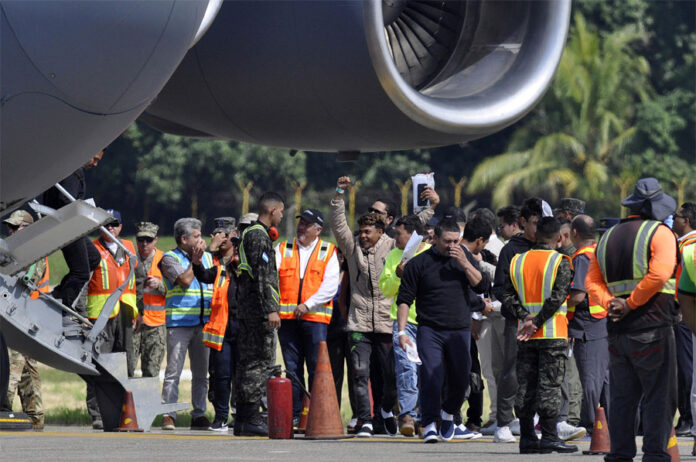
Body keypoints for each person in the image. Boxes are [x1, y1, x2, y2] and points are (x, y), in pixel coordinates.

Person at [330, 176, 439, 437]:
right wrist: (338, 195)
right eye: (361, 232)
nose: (363, 236)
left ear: (381, 232)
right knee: (359, 373)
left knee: (391, 378)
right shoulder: (352, 247)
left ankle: (386, 411)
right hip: (358, 322)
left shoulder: (392, 246)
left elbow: (413, 229)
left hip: (385, 323)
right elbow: (338, 224)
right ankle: (365, 420)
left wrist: (432, 208)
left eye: (368, 232)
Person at [586, 177, 679, 461]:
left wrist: (611, 304)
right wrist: (630, 303)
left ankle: (620, 455)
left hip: (617, 332)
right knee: (659, 396)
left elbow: (592, 282)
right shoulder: (660, 233)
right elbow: (660, 274)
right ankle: (654, 455)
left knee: (622, 399)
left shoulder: (607, 237)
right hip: (653, 329)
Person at [396, 219, 491, 443]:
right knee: (431, 375)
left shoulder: (463, 257)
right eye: (447, 241)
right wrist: (401, 332)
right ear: (435, 239)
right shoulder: (419, 263)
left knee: (461, 378)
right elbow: (404, 300)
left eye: (456, 241)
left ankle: (449, 413)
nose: (452, 246)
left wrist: (464, 263)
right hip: (430, 329)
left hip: (459, 330)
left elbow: (481, 285)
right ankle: (429, 423)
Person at [504, 217, 577, 454]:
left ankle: (527, 438)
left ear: (535, 235)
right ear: (559, 238)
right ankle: (549, 437)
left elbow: (506, 296)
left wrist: (525, 317)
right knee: (550, 387)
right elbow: (558, 298)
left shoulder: (517, 261)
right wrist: (536, 322)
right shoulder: (560, 261)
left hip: (525, 336)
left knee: (526, 386)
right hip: (552, 334)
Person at [275, 208, 339, 426]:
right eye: (300, 223)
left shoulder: (328, 250)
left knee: (315, 368)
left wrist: (307, 305)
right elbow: (272, 278)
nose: (301, 227)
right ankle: (295, 414)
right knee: (292, 368)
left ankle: (315, 414)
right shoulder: (283, 248)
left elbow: (330, 286)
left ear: (318, 230)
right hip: (287, 319)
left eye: (307, 224)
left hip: (315, 319)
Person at [492, 197, 543, 443]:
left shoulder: (547, 247)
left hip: (544, 321)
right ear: (523, 222)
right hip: (518, 321)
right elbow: (500, 289)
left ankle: (535, 420)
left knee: (543, 372)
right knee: (511, 371)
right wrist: (523, 314)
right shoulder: (511, 249)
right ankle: (503, 422)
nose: (539, 228)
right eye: (535, 223)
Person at [234, 192, 285, 436]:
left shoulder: (253, 233)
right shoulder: (259, 235)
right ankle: (251, 417)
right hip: (258, 312)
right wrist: (271, 310)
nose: (282, 216)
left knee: (249, 362)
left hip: (250, 309)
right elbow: (263, 275)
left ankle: (244, 419)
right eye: (281, 211)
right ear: (273, 210)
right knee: (259, 363)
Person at [378, 215, 431, 437]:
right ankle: (408, 415)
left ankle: (426, 418)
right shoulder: (394, 255)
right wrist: (398, 276)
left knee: (427, 371)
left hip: (429, 322)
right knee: (406, 369)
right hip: (404, 323)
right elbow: (386, 289)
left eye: (399, 234)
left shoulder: (432, 253)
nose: (395, 238)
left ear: (413, 235)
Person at [85, 209, 137, 429]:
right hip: (100, 315)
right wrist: (82, 316)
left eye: (114, 224)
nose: (110, 228)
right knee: (98, 364)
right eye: (106, 224)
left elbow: (137, 280)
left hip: (125, 312)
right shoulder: (92, 248)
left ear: (121, 227)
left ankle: (126, 411)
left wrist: (139, 312)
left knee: (127, 363)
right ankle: (98, 413)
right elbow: (84, 282)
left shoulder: (129, 247)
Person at [159, 218, 213, 431]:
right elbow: (185, 280)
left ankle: (199, 414)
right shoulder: (169, 258)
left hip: (203, 323)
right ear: (184, 239)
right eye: (196, 236)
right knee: (173, 372)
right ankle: (168, 414)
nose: (201, 240)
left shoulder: (207, 257)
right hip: (179, 323)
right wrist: (195, 261)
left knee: (201, 374)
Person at [0, 210, 47, 429]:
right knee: (28, 372)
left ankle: (6, 411)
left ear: (27, 229)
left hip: (22, 321)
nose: (10, 231)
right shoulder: (14, 253)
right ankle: (36, 419)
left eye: (14, 227)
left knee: (11, 371)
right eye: (9, 227)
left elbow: (27, 280)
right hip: (19, 321)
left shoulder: (35, 254)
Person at [193, 230, 240, 431]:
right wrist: (197, 262)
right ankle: (221, 418)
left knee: (242, 377)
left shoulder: (249, 271)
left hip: (244, 333)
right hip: (222, 333)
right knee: (221, 376)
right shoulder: (220, 270)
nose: (235, 252)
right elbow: (203, 275)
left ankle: (242, 417)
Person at [43, 151, 103, 309]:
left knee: (94, 258)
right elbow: (65, 201)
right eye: (95, 159)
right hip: (65, 225)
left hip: (70, 224)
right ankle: (60, 307)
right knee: (81, 272)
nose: (95, 164)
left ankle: (58, 294)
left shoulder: (73, 170)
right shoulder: (73, 172)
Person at [566, 215, 609, 433]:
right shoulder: (600, 251)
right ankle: (608, 423)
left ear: (574, 233)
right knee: (604, 378)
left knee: (590, 378)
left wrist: (557, 306)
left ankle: (591, 424)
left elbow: (577, 296)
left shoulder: (582, 257)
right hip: (603, 319)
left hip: (587, 324)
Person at [130, 222, 166, 378]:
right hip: (132, 323)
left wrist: (160, 285)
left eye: (149, 240)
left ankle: (148, 396)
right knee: (127, 369)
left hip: (155, 326)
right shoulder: (129, 259)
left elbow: (178, 290)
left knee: (151, 371)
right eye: (141, 239)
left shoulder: (165, 260)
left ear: (156, 240)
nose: (144, 243)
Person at [673, 203, 696, 436]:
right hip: (685, 313)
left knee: (686, 367)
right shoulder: (684, 245)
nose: (673, 220)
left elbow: (682, 284)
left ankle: (689, 418)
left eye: (676, 216)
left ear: (686, 221)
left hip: (685, 315)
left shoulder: (688, 246)